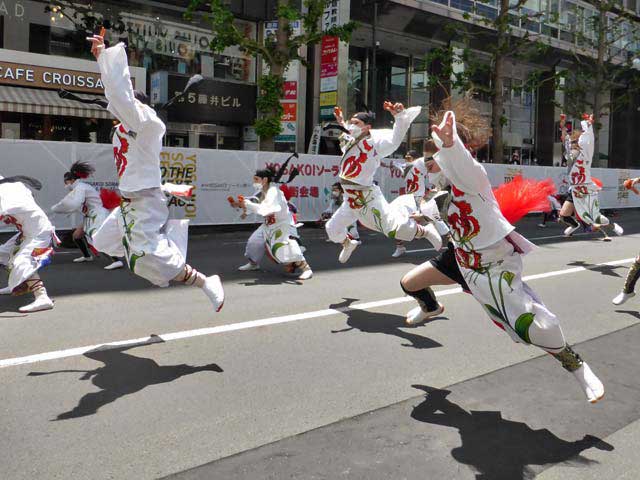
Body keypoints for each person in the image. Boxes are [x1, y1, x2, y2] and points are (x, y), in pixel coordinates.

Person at [427, 102, 604, 403]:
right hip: (469, 270)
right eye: (430, 155)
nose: (431, 163)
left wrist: (450, 143)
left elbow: (465, 166)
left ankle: (575, 364)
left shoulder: (473, 181)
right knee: (511, 325)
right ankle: (426, 305)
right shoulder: (438, 194)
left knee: (536, 325)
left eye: (436, 157)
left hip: (497, 266)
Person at [87, 34, 224, 312]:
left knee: (145, 257)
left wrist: (104, 56)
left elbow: (118, 95)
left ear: (136, 105)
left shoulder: (147, 122)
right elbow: (118, 99)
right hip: (129, 203)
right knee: (101, 240)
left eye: (124, 107)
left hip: (144, 202)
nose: (116, 113)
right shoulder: (124, 128)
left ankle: (205, 281)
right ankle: (155, 258)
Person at [326, 103, 441, 263]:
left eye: (356, 123)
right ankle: (348, 243)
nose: (352, 125)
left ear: (367, 127)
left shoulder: (375, 145)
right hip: (350, 199)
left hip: (367, 198)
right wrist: (341, 121)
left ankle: (425, 231)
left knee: (392, 229)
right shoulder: (350, 140)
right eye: (351, 122)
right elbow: (348, 129)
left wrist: (399, 117)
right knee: (331, 229)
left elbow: (395, 140)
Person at [230, 167, 313, 280]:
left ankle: (306, 269)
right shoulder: (261, 192)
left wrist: (248, 204)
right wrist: (241, 204)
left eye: (256, 179)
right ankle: (254, 264)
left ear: (264, 180)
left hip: (281, 224)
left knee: (283, 247)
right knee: (253, 242)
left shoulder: (274, 192)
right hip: (268, 224)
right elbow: (254, 205)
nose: (254, 181)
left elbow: (266, 209)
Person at [558, 114, 622, 240]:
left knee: (595, 217)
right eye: (572, 142)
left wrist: (588, 124)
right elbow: (564, 136)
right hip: (574, 190)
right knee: (563, 215)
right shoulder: (570, 152)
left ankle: (613, 226)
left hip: (586, 189)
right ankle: (575, 225)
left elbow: (588, 140)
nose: (572, 144)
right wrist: (563, 123)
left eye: (575, 141)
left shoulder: (585, 154)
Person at [50, 161, 123, 270]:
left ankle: (116, 261)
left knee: (98, 238)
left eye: (67, 182)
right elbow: (75, 203)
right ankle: (87, 256)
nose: (66, 184)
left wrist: (58, 208)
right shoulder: (78, 188)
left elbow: (74, 203)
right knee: (77, 236)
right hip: (90, 216)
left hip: (97, 215)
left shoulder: (80, 187)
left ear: (72, 180)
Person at [0, 176, 57, 312]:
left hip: (39, 233)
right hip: (27, 233)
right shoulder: (12, 188)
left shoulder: (8, 191)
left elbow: (7, 209)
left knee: (21, 261)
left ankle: (42, 297)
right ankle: (17, 282)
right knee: (3, 253)